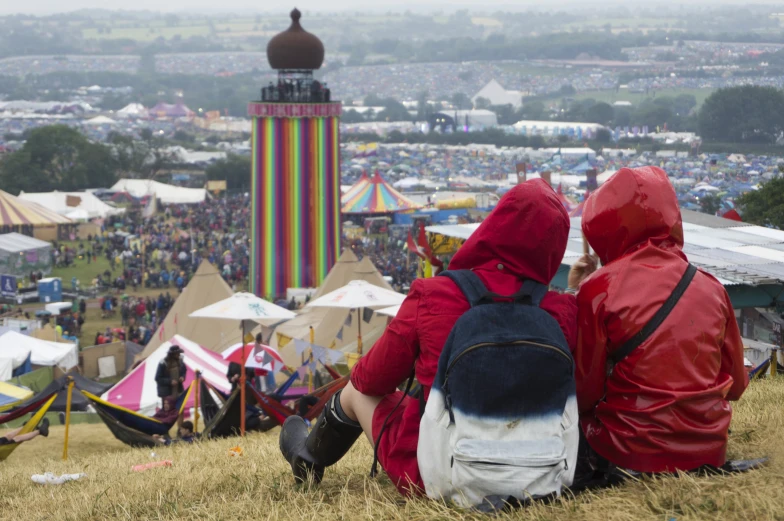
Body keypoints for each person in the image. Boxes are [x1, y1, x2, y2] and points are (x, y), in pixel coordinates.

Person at [280, 180, 577, 493]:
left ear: (494, 225)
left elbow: (371, 380)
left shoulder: (434, 295)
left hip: (437, 474)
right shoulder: (563, 311)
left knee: (356, 390)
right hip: (543, 475)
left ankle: (308, 455)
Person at [568, 166, 748, 476]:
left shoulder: (598, 290)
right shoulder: (712, 287)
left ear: (604, 226)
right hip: (708, 449)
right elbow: (736, 386)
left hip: (626, 451)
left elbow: (584, 392)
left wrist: (578, 291)